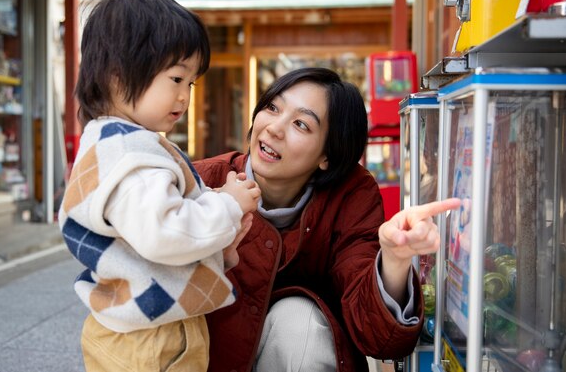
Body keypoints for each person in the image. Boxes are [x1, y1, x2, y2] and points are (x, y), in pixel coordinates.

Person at [193, 67, 461, 372]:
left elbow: (380, 341)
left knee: (297, 320)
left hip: (302, 358)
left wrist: (395, 259)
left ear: (328, 156)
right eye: (272, 108)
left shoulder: (350, 198)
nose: (273, 129)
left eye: (300, 124)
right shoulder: (201, 180)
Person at [58, 0, 261, 372]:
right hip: (155, 342)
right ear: (117, 76)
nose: (185, 97)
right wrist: (228, 203)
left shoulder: (111, 144)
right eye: (176, 78)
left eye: (191, 83)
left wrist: (221, 245)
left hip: (137, 332)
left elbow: (149, 241)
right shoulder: (132, 154)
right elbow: (163, 232)